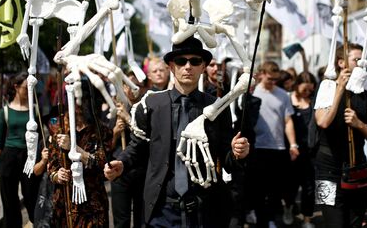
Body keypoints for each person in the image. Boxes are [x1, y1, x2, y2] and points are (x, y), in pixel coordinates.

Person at [105, 36, 250, 227]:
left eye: (195, 61)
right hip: (160, 210)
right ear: (172, 67)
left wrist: (239, 153)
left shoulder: (216, 108)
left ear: (203, 66)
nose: (188, 67)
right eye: (181, 61)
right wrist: (122, 163)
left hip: (203, 210)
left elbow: (227, 160)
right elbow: (138, 146)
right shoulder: (151, 105)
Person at [313, 43, 367, 228]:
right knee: (334, 223)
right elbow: (323, 122)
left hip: (357, 169)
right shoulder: (325, 88)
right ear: (342, 62)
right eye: (356, 59)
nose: (361, 64)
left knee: (355, 223)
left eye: (363, 60)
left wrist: (359, 125)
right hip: (327, 171)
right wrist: (340, 90)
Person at [49, 78, 114, 227]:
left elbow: (103, 163)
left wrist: (74, 148)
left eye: (83, 99)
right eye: (75, 99)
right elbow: (51, 167)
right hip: (65, 203)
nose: (78, 105)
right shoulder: (58, 129)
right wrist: (57, 176)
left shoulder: (102, 131)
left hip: (93, 205)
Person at [251, 61, 299, 227]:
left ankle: (271, 219)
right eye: (270, 78)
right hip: (257, 147)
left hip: (277, 148)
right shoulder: (253, 92)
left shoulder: (283, 95)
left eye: (275, 79)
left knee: (275, 189)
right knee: (258, 188)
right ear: (262, 74)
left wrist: (293, 145)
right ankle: (259, 218)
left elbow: (288, 121)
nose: (272, 82)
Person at [0, 72, 40, 227]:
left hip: (30, 157)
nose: (30, 91)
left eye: (32, 87)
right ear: (16, 87)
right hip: (9, 157)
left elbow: (41, 136)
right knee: (9, 200)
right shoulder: (4, 111)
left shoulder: (35, 110)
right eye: (26, 87)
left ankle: (37, 223)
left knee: (31, 197)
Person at [110, 71, 148, 228]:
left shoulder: (146, 109)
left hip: (142, 171)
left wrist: (128, 119)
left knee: (142, 218)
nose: (134, 89)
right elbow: (107, 147)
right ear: (123, 87)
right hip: (120, 171)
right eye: (130, 85)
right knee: (121, 220)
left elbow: (147, 138)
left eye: (137, 86)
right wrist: (115, 133)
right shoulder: (115, 111)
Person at [285, 72, 317, 228]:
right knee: (291, 186)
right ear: (297, 85)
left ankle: (307, 219)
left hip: (310, 152)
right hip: (291, 151)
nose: (307, 93)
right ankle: (288, 207)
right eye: (304, 89)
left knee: (309, 187)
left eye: (310, 90)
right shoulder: (288, 99)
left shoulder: (314, 102)